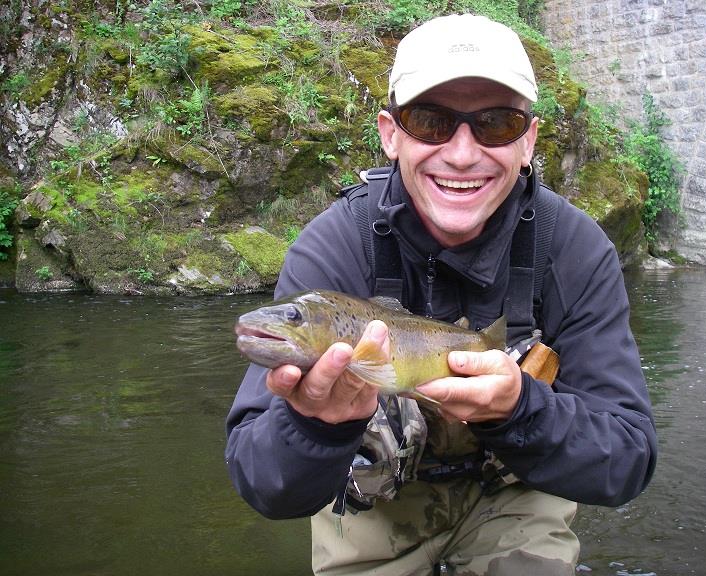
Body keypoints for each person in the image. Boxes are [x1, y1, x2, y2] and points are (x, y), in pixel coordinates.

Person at [226, 13, 656, 576]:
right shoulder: (332, 250)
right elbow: (264, 487)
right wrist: (314, 426)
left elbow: (627, 461)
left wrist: (521, 408)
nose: (460, 153)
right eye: (430, 122)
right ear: (390, 134)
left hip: (519, 499)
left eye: (496, 124)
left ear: (528, 140)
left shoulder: (575, 250)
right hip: (371, 508)